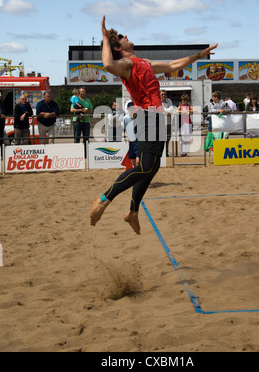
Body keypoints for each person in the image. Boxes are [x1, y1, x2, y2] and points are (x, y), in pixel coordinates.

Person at [89, 15, 218, 234]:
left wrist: (200, 55)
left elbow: (173, 64)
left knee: (153, 166)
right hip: (147, 117)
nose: (127, 36)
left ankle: (133, 212)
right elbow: (107, 64)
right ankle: (103, 199)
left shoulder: (143, 62)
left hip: (157, 117)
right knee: (146, 166)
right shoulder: (126, 63)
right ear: (119, 47)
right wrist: (104, 37)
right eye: (122, 37)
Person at [70, 87, 93, 152]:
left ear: (85, 93)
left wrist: (86, 111)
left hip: (86, 121)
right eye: (81, 92)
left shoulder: (88, 100)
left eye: (84, 92)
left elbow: (91, 110)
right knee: (76, 138)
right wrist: (81, 110)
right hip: (77, 121)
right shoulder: (75, 99)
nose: (82, 93)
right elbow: (71, 110)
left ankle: (86, 154)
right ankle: (76, 154)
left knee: (86, 139)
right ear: (79, 92)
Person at [123, 101, 139, 167]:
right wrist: (126, 137)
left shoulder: (139, 117)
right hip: (131, 141)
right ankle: (136, 172)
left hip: (139, 141)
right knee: (133, 159)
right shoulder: (125, 118)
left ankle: (138, 171)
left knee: (138, 160)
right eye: (130, 109)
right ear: (127, 110)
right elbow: (124, 128)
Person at [160, 90, 173, 157]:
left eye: (165, 94)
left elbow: (171, 109)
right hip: (161, 123)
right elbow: (161, 110)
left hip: (168, 123)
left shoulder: (169, 101)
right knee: (161, 139)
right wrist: (166, 112)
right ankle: (161, 152)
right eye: (162, 94)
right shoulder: (158, 101)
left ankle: (166, 152)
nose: (164, 95)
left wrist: (167, 111)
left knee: (168, 138)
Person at [0, 91, 6, 155]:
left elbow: (4, 110)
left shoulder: (2, 104)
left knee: (1, 139)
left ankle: (1, 154)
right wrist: (0, 115)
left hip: (1, 124)